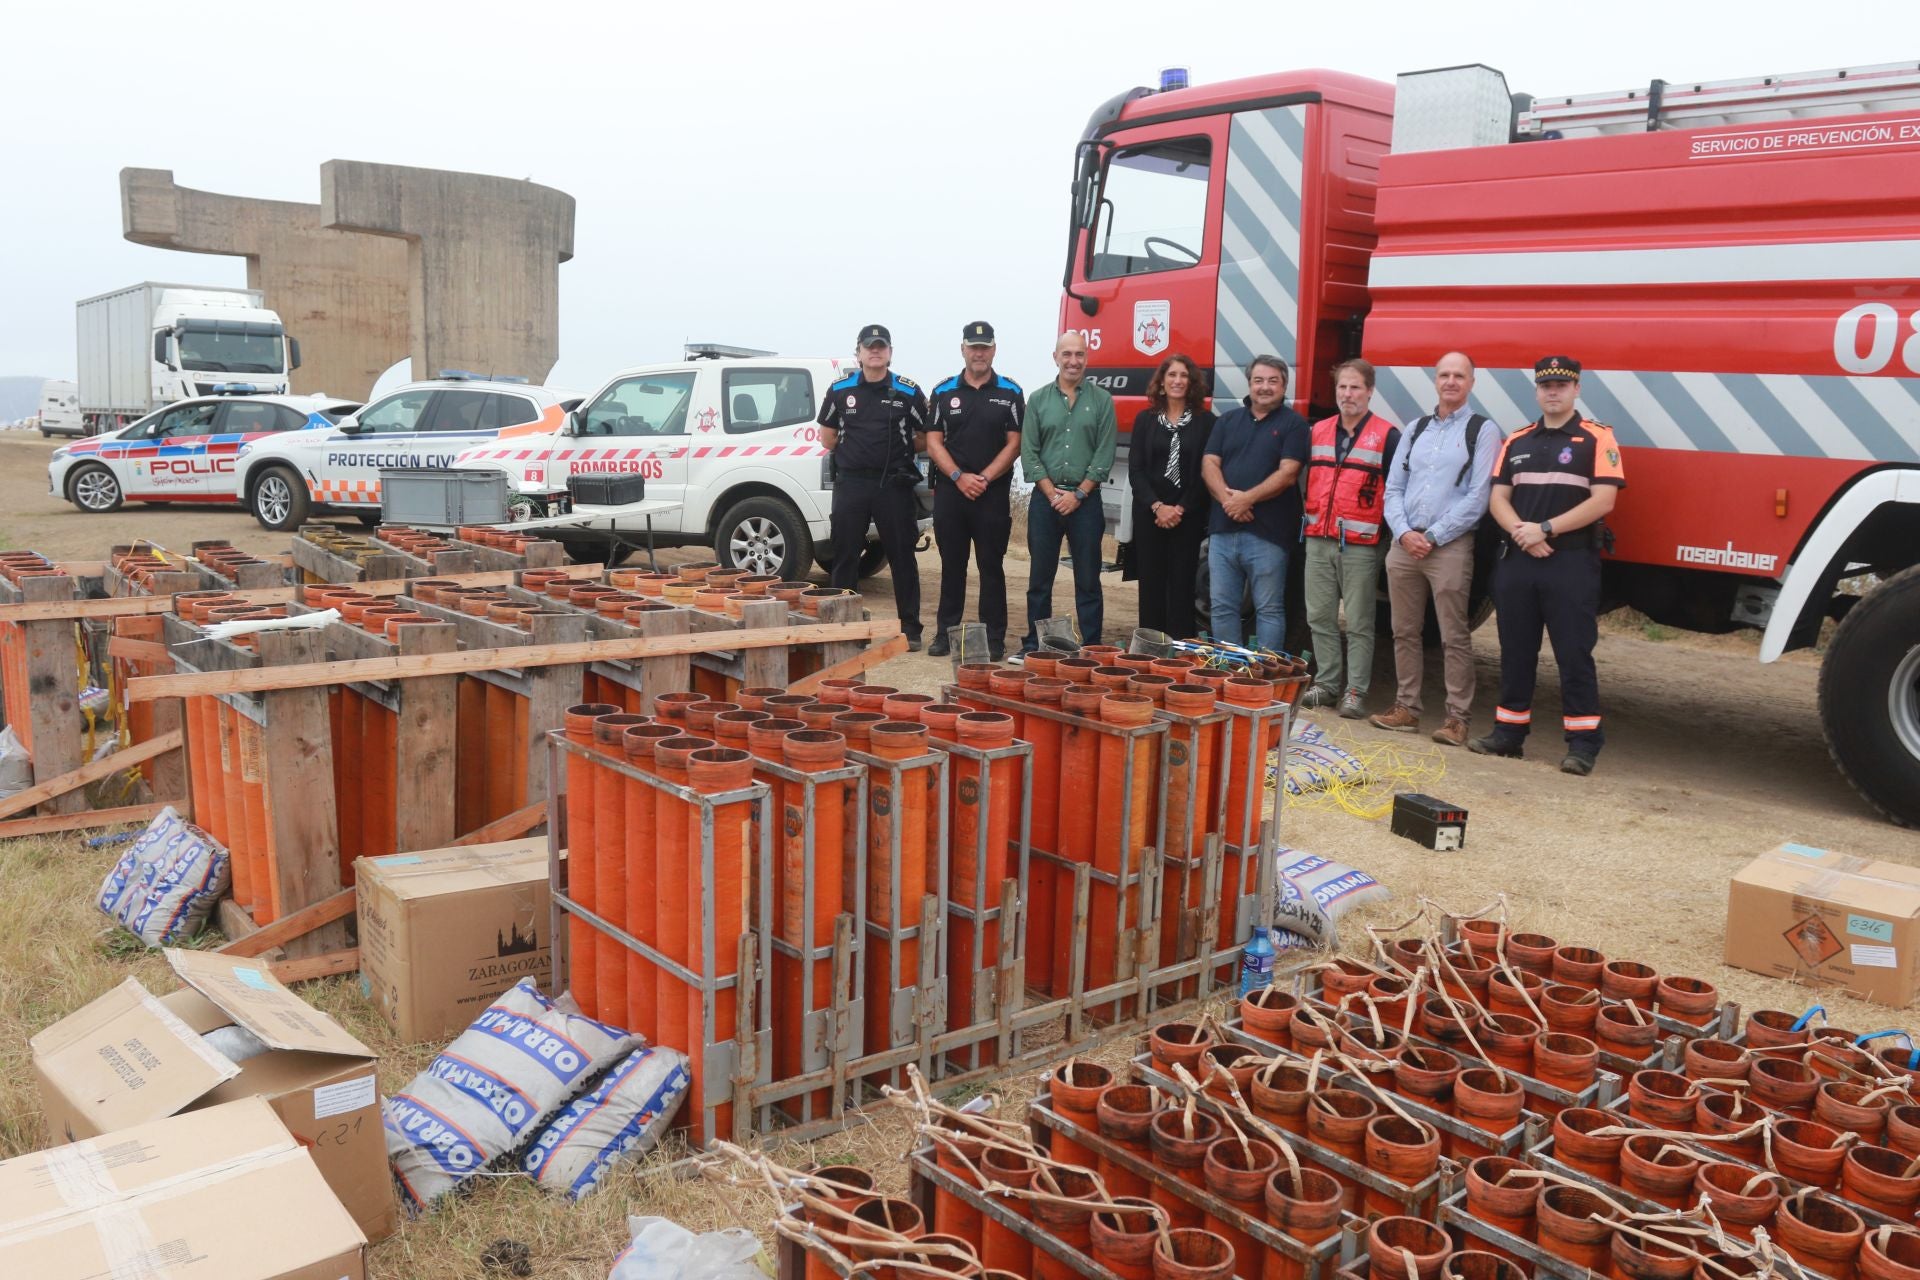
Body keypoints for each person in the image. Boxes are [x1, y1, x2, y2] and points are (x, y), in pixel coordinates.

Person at [1470, 355, 1626, 775]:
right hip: (1518, 560)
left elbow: (1604, 500)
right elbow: (1498, 498)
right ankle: (1508, 734)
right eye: (1546, 385)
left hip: (1570, 562)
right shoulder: (1517, 441)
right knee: (1515, 651)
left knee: (1573, 653)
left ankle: (1583, 742)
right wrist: (1524, 532)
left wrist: (1546, 529)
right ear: (1537, 391)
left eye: (1561, 384)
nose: (1552, 391)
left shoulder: (1597, 439)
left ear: (1576, 389)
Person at [1369, 352, 1504, 747]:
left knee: (1453, 635)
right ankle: (1406, 708)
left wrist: (1434, 535)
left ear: (1471, 382)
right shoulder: (1415, 429)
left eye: (1459, 376)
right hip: (1404, 543)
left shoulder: (1483, 430)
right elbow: (1393, 488)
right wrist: (1404, 531)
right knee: (1404, 630)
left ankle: (1457, 718)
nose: (1450, 382)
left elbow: (1479, 497)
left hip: (1448, 546)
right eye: (1444, 375)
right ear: (1435, 380)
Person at [1298, 359, 1399, 718]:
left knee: (1359, 623)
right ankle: (1326, 684)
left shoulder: (1388, 436)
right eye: (1342, 387)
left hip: (1360, 545)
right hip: (1318, 539)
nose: (1347, 394)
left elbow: (1397, 492)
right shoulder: (1318, 431)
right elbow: (1304, 480)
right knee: (1319, 618)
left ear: (1370, 391)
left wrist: (1384, 542)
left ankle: (1355, 691)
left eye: (1355, 387)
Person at [818, 323, 928, 649]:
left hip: (893, 486)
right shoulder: (841, 389)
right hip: (851, 484)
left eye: (881, 346)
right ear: (859, 353)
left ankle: (911, 629)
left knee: (902, 558)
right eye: (870, 346)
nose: (875, 351)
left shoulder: (908, 391)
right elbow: (828, 436)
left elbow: (924, 437)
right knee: (845, 556)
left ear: (890, 353)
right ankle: (844, 629)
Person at [925, 321, 1024, 659]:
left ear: (994, 349)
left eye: (985, 346)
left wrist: (983, 477)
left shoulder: (1010, 392)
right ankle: (945, 634)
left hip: (991, 493)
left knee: (991, 567)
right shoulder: (943, 391)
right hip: (952, 492)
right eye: (973, 346)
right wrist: (958, 476)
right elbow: (933, 440)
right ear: (963, 349)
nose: (979, 352)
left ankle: (994, 638)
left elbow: (1016, 442)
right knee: (952, 566)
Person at [1201, 354, 1311, 652]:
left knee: (1269, 609)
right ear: (1249, 384)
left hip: (1269, 535)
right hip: (1223, 531)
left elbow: (1289, 473)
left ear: (1283, 385)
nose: (1265, 387)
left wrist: (1247, 499)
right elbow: (1209, 463)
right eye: (1258, 380)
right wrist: (1228, 501)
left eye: (1272, 381)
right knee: (1222, 607)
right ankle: (1230, 674)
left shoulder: (1294, 425)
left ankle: (1265, 679)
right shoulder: (1227, 421)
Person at [1019, 331, 1116, 655]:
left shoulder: (1102, 401)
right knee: (1039, 580)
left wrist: (1078, 494)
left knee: (1088, 580)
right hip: (1045, 503)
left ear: (1086, 358)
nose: (1073, 361)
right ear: (1056, 357)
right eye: (1067, 354)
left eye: (1079, 354)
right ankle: (1035, 645)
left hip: (1085, 503)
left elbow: (1104, 455)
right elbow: (1029, 452)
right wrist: (1052, 494)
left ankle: (1091, 649)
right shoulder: (1038, 400)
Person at [1127, 354, 1216, 640]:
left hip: (1186, 517)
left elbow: (1207, 470)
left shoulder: (1206, 423)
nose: (1178, 381)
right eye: (1172, 375)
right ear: (1162, 383)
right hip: (1150, 514)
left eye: (1184, 376)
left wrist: (1180, 508)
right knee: (1151, 585)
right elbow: (1136, 470)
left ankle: (1178, 655)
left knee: (1181, 586)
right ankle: (1149, 651)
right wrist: (1157, 507)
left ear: (1191, 384)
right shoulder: (1145, 420)